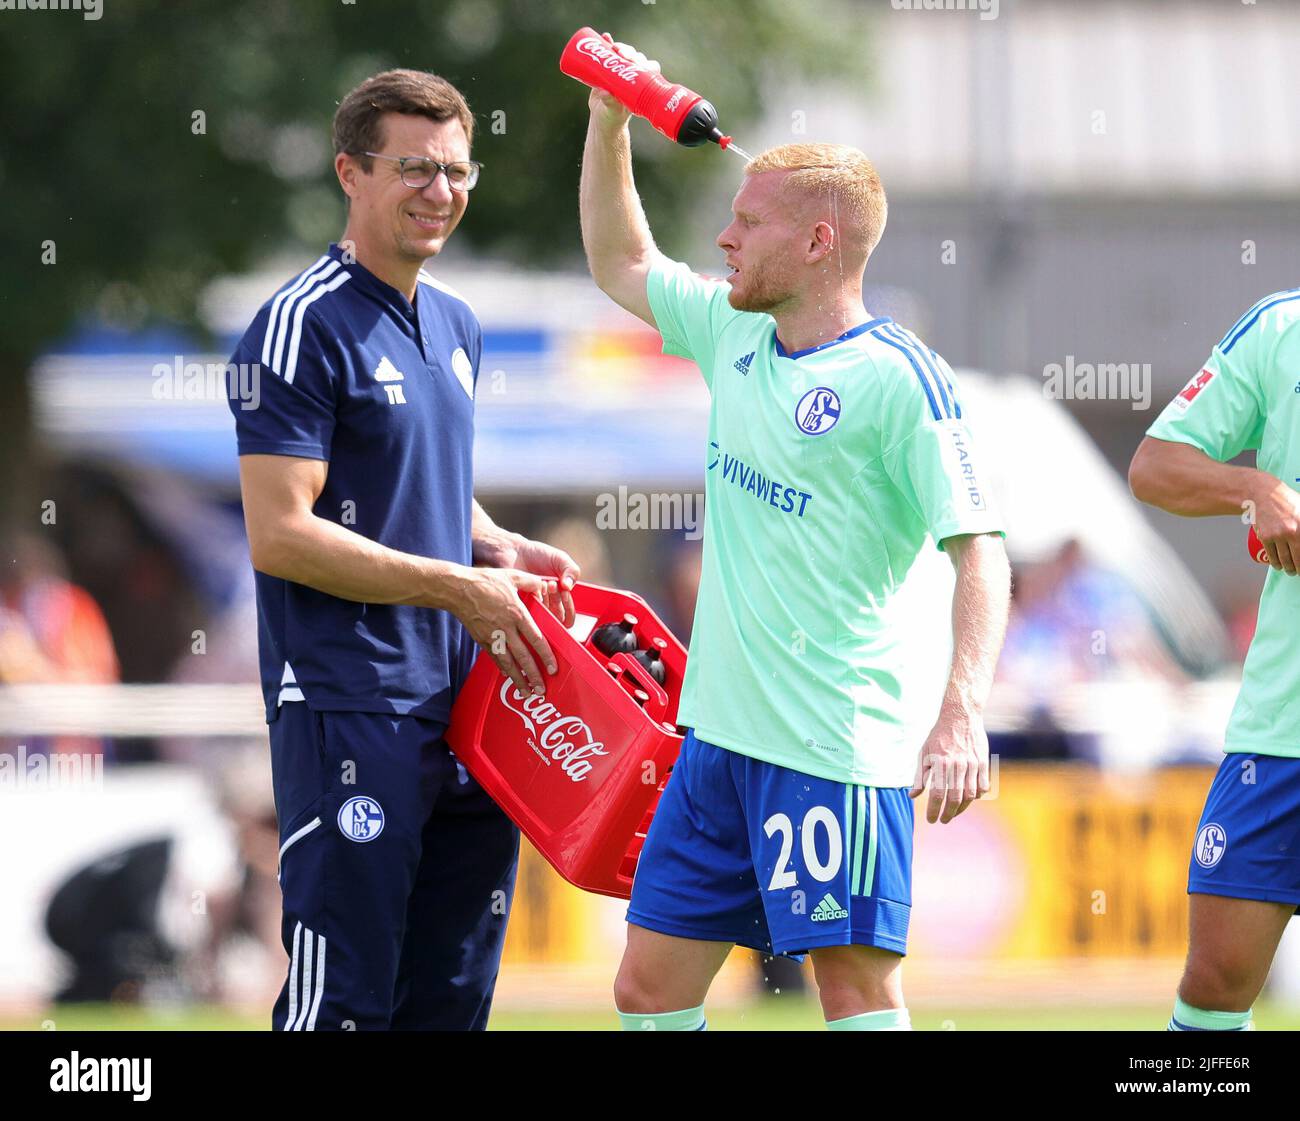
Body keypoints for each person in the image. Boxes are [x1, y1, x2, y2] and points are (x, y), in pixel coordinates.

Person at [578, 38, 1011, 1031]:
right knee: (648, 988)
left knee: (852, 992)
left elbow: (978, 546)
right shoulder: (733, 329)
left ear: (819, 243)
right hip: (715, 744)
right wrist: (610, 121)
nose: (724, 241)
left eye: (747, 223)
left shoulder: (902, 381)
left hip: (832, 746)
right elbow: (621, 260)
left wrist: (963, 710)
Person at [225, 69, 579, 1030]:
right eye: (414, 168)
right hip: (349, 701)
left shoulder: (460, 323)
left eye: (459, 171)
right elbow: (281, 531)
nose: (441, 192)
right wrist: (458, 588)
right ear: (350, 172)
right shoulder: (298, 326)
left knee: (453, 1000)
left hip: (469, 706)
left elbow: (408, 483)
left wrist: (497, 544)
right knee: (342, 1002)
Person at [1130, 290, 1300, 1031]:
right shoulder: (1280, 328)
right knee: (1215, 979)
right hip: (1279, 728)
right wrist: (1255, 488)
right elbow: (1155, 466)